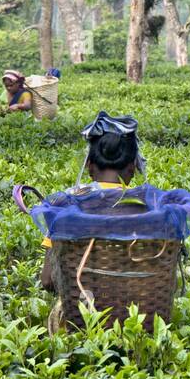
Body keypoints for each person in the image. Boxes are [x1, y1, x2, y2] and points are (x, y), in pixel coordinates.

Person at [39, 112, 147, 329]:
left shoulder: (64, 206)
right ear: (133, 167)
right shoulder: (148, 208)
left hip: (79, 321)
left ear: (88, 164)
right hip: (138, 322)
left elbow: (48, 279)